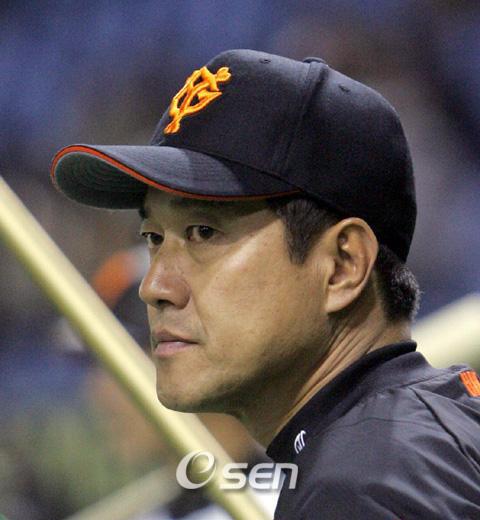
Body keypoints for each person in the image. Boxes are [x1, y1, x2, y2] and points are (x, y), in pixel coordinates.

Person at [50, 49, 480, 519]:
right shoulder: (417, 434)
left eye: (204, 232)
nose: (153, 286)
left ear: (343, 265)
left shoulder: (361, 487)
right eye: (153, 238)